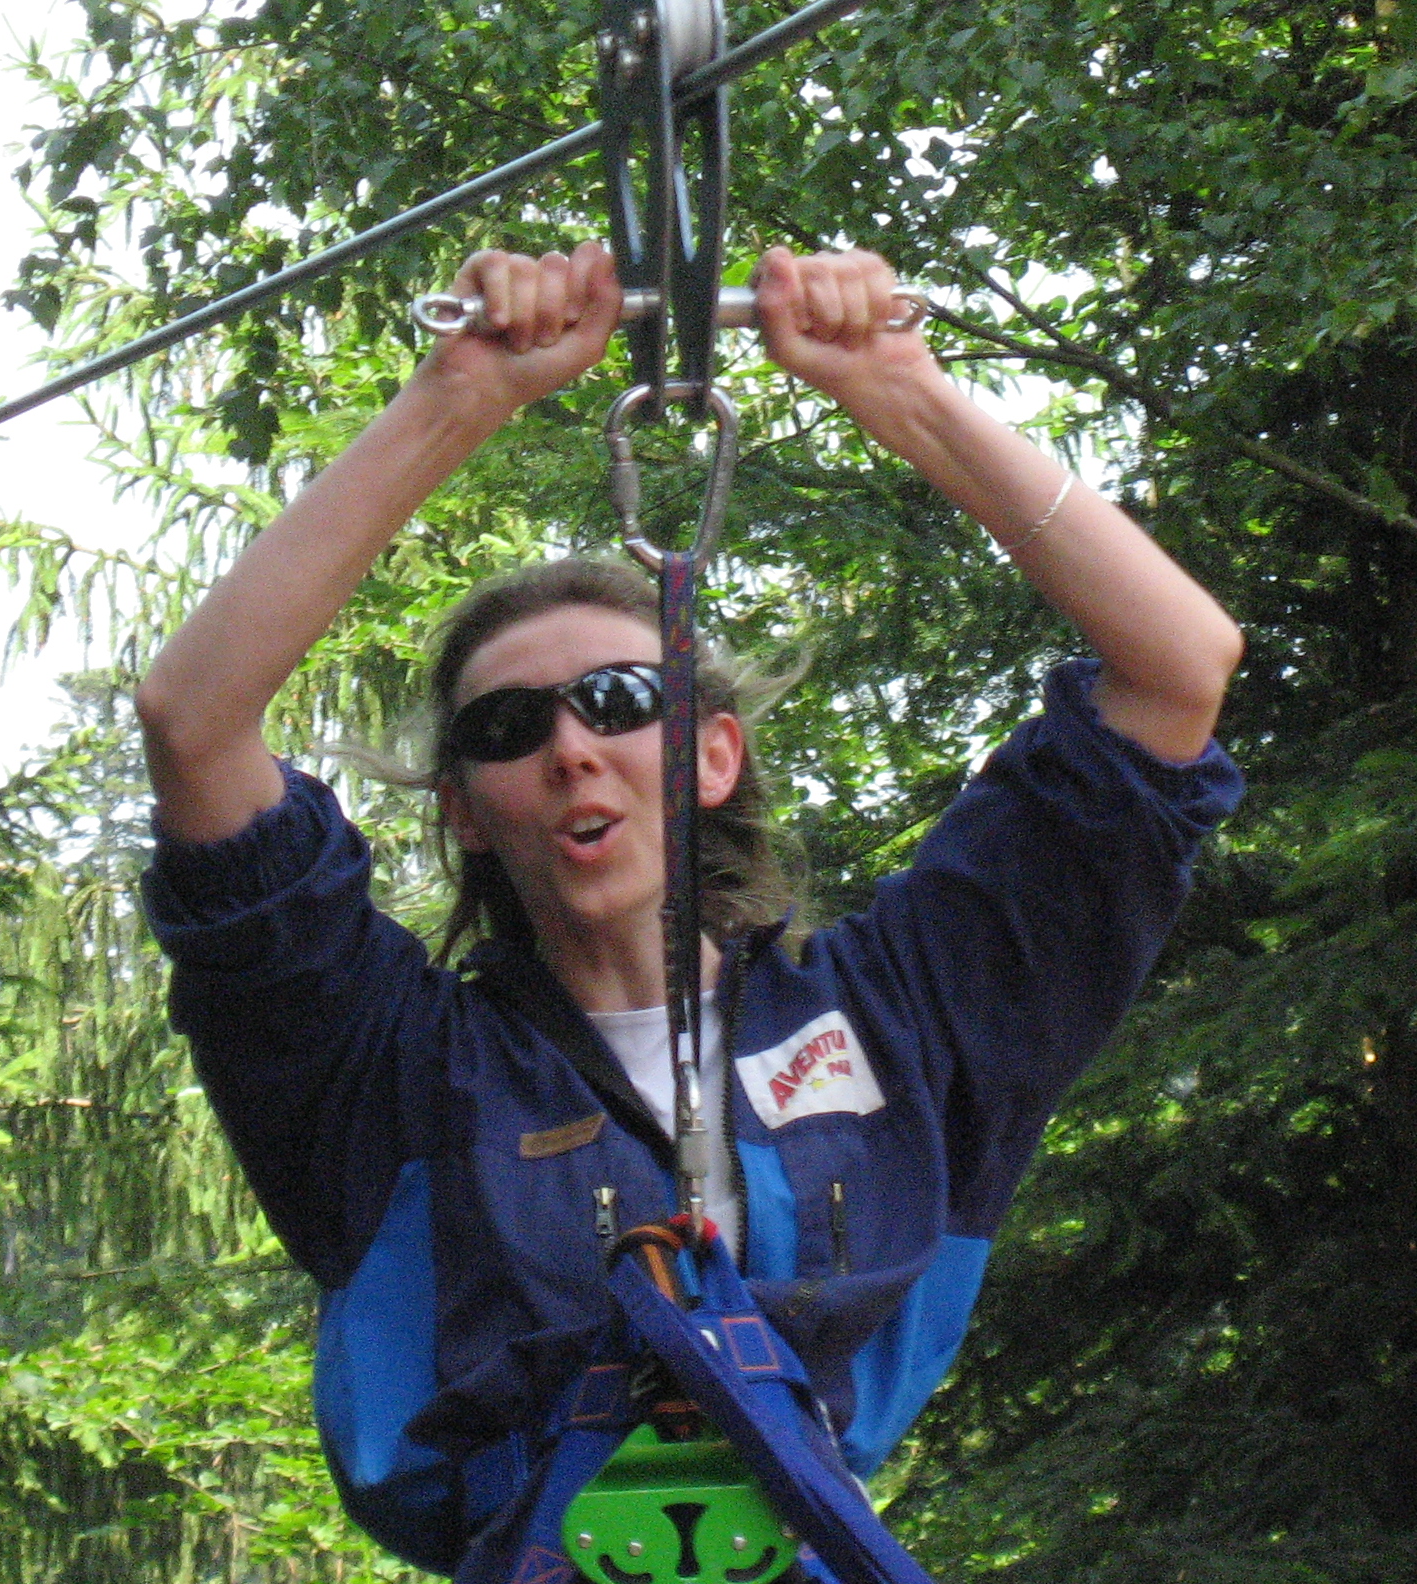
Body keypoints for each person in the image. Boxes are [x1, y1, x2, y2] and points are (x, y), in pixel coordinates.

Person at [133, 242, 1244, 1583]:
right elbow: (193, 723)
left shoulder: (905, 1019)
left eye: (617, 703)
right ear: (466, 810)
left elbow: (1178, 666)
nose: (571, 749)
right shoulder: (392, 1074)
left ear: (713, 756)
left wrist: (899, 387)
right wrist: (459, 395)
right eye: (508, 727)